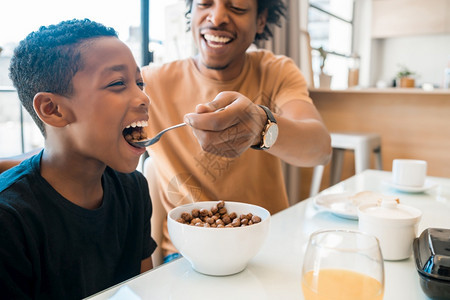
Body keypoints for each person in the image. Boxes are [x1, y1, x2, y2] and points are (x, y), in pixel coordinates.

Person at [141, 0, 332, 262]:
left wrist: (261, 127)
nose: (217, 17)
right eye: (204, 3)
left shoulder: (276, 72)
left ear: (261, 20)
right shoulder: (150, 85)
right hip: (187, 254)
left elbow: (319, 149)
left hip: (267, 245)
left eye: (238, 7)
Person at [0, 19, 157, 299]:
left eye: (139, 82)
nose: (143, 97)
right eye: (118, 83)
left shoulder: (133, 188)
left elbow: (143, 289)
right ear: (53, 109)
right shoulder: (9, 220)